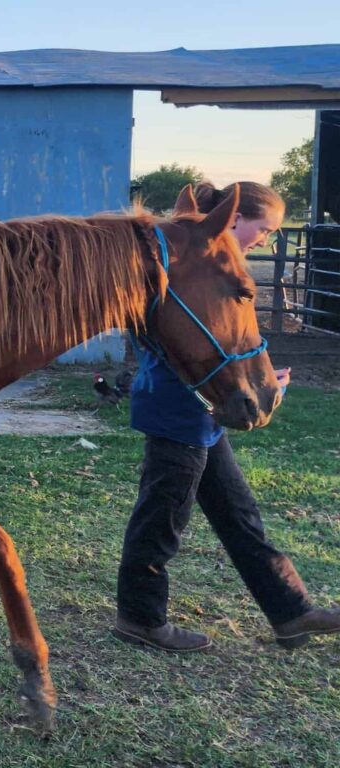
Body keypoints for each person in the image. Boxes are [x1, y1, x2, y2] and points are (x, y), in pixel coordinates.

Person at [113, 181, 340, 652]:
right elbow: (186, 345)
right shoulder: (185, 269)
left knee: (239, 515)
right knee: (161, 519)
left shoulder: (209, 271)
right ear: (234, 220)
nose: (267, 240)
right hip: (178, 412)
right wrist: (240, 383)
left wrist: (250, 381)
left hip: (205, 413)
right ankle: (140, 616)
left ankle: (291, 611)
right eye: (266, 229)